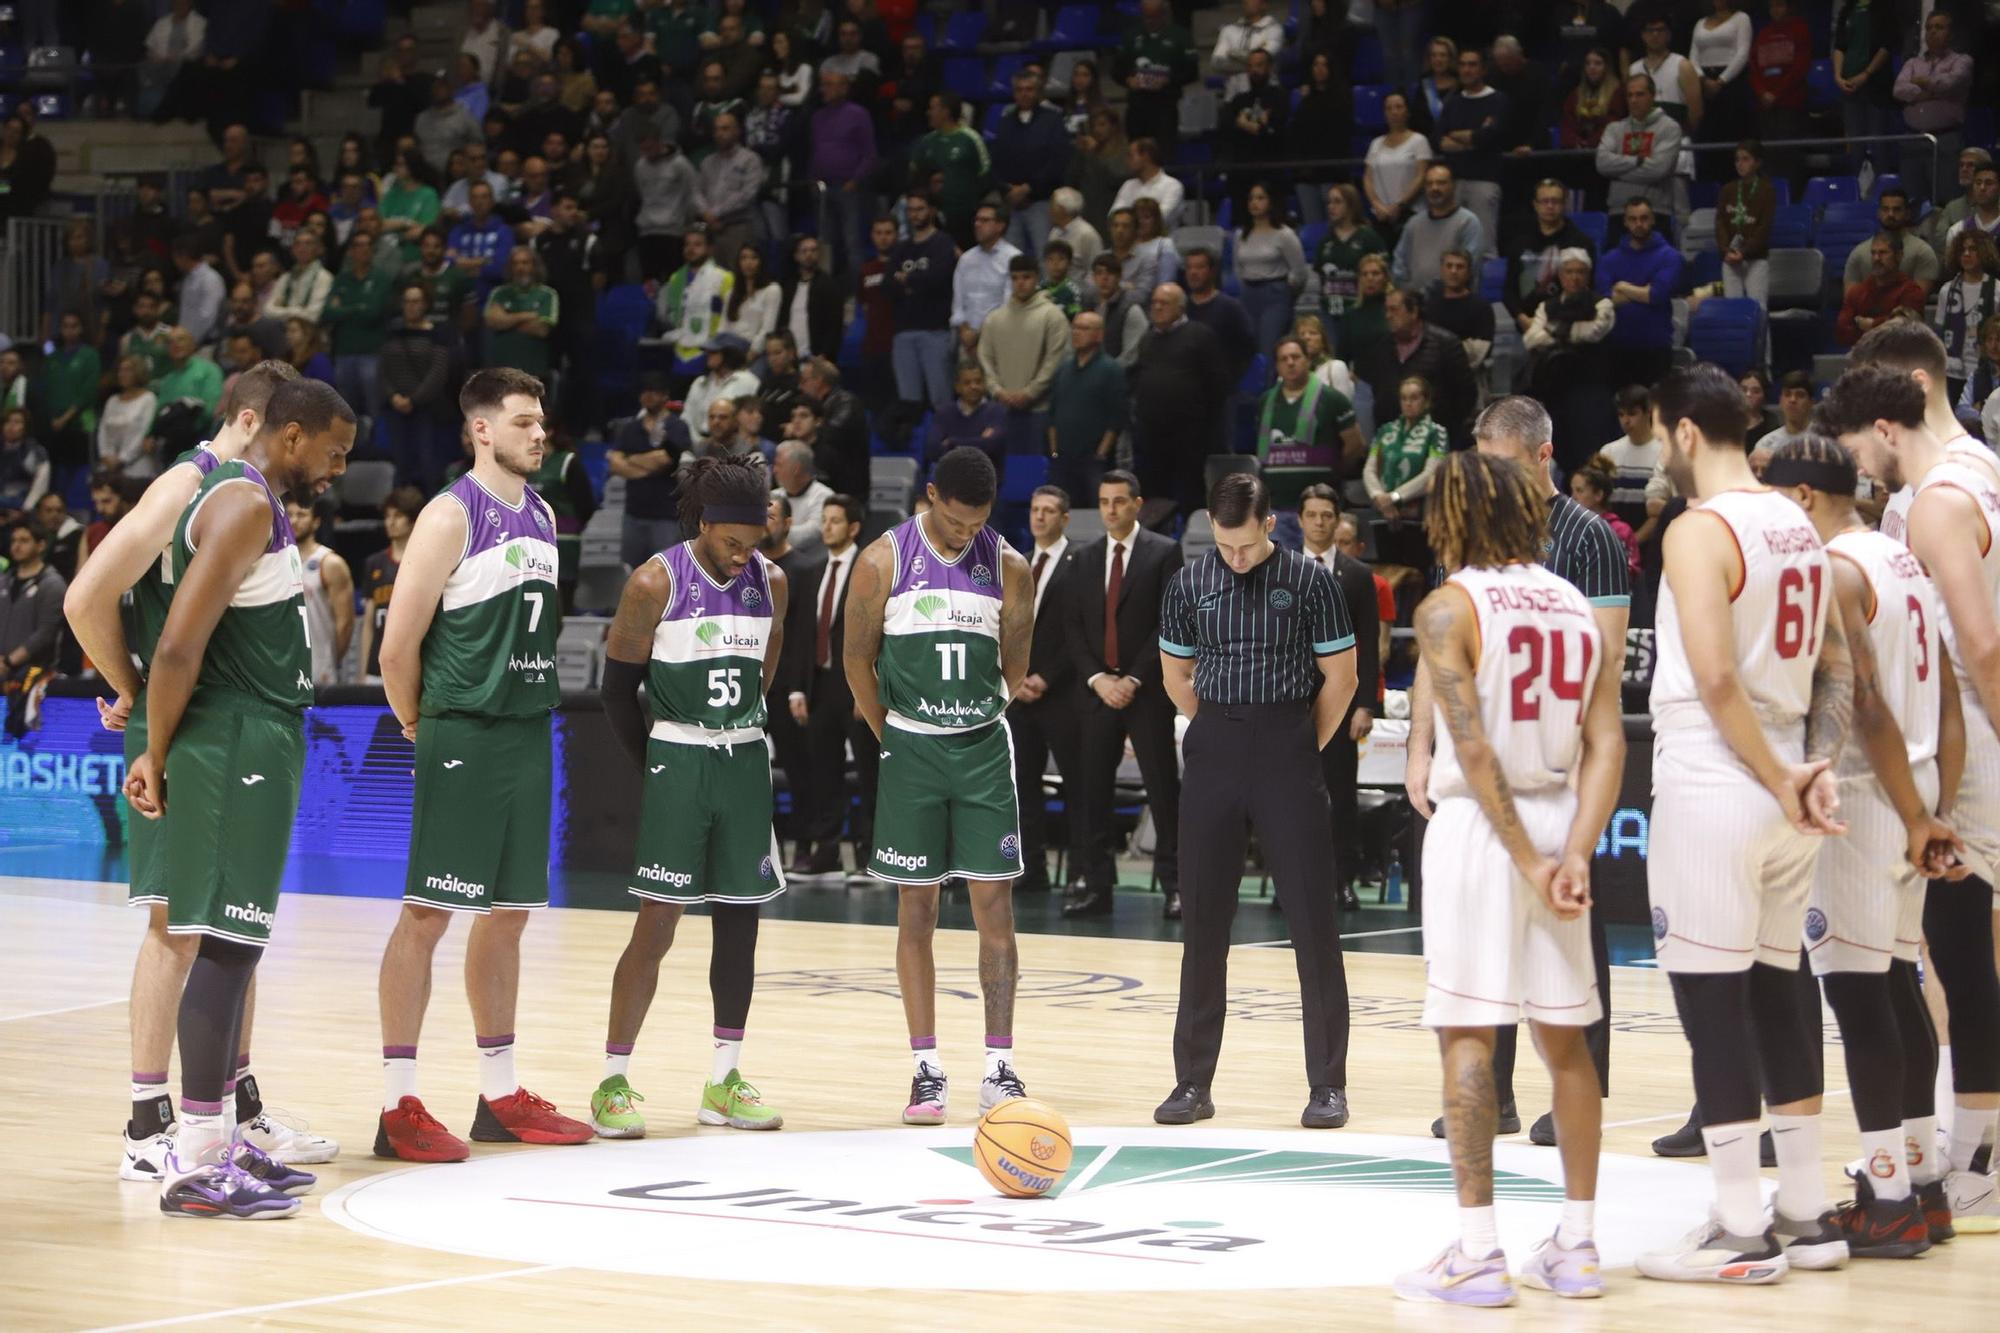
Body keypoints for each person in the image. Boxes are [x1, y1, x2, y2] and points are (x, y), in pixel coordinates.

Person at [59, 365, 333, 1180]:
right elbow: (84, 599)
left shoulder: (242, 491)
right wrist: (131, 688)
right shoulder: (192, 480)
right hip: (192, 723)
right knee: (176, 928)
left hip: (215, 714)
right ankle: (150, 1125)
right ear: (256, 419)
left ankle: (233, 1109)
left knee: (225, 929)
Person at [1635, 364, 1853, 1283]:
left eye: (1655, 435)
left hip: (1718, 775)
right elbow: (1838, 666)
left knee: (1709, 997)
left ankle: (1735, 1226)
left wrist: (1774, 772)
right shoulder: (1797, 522)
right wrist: (1811, 770)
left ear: (1683, 433)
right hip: (1786, 776)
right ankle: (1805, 1212)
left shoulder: (1699, 529)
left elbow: (1716, 679)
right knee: (1777, 989)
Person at [1393, 450, 1622, 1306]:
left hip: (1485, 833)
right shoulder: (1571, 604)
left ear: (1456, 515)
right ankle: (1580, 1243)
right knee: (1566, 1040)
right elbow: (1609, 744)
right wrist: (1572, 853)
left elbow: (1475, 746)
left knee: (1467, 1033)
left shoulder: (1449, 606)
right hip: (1561, 821)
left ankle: (1479, 1251)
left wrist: (1527, 856)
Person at [122, 378, 355, 1219]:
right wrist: (152, 748)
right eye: (332, 452)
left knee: (240, 944)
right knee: (221, 943)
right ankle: (192, 1159)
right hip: (231, 738)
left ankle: (218, 1142)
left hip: (258, 732)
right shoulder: (239, 502)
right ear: (289, 435)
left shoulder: (260, 501)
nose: (338, 470)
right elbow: (179, 643)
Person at [372, 369, 593, 1163]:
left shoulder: (539, 509)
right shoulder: (447, 514)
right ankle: (397, 1104)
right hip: (462, 727)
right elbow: (397, 647)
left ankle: (498, 1093)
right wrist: (416, 722)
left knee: (510, 915)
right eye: (526, 422)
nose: (542, 434)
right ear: (482, 430)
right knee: (427, 913)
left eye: (544, 421)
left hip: (529, 731)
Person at [1408, 397, 1634, 1148]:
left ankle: (1577, 1085)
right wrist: (1418, 744)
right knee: (1485, 964)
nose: (1488, 482)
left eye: (1500, 467)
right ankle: (1496, 1099)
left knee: (1567, 946)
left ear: (1542, 458)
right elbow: (1434, 659)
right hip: (1491, 775)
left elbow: (1600, 665)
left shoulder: (1590, 538)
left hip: (1542, 767)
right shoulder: (1468, 536)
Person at [1763, 428, 1959, 1253]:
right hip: (1914, 790)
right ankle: (1919, 1181)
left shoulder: (1837, 570)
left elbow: (1867, 703)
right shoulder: (1901, 559)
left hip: (1871, 797)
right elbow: (1947, 695)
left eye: (1775, 498)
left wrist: (1912, 811)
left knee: (1859, 995)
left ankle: (1886, 1200)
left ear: (1804, 497)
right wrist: (1936, 801)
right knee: (1898, 985)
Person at [1832, 339, 2000, 1231]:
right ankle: (1960, 1148)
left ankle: (1973, 1158)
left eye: (1862, 441)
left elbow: (1978, 642)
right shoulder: (1979, 465)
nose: (1858, 462)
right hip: (1959, 731)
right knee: (1953, 946)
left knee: (1958, 950)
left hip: (1967, 738)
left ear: (1895, 418)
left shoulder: (1934, 501)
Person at [588, 453, 791, 1139]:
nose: (744, 555)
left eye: (755, 542)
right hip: (679, 755)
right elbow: (617, 690)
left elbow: (764, 673)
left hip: (743, 762)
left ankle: (724, 1079)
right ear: (704, 523)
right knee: (657, 923)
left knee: (741, 922)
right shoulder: (655, 581)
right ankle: (613, 1081)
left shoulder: (773, 582)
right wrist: (655, 763)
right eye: (732, 542)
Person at [1155, 470, 1358, 1127]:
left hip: (1288, 745)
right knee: (1203, 922)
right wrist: (1218, 729)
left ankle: (1327, 1084)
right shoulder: (1189, 581)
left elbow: (1342, 677)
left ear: (1271, 525)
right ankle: (1192, 1082)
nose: (1234, 557)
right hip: (1214, 744)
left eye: (1244, 544)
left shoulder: (1312, 582)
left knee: (1311, 921)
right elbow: (1175, 675)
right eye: (1223, 545)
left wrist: (1299, 742)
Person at [842, 446, 1035, 1122]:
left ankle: (999, 1065)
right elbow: (856, 659)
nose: (964, 535)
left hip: (982, 749)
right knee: (915, 911)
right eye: (954, 522)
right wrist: (889, 731)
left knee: (995, 910)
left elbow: (1015, 665)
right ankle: (926, 1066)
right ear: (929, 496)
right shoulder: (879, 561)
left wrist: (971, 716)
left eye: (976, 523)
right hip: (912, 751)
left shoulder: (1010, 566)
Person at [1062, 470, 1185, 919]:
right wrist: (1099, 678)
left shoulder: (1164, 552)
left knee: (1162, 790)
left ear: (1137, 503)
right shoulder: (1084, 556)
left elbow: (1169, 623)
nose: (1110, 509)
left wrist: (1133, 679)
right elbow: (1073, 627)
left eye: (1119, 501)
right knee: (1092, 791)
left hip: (1147, 691)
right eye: (1104, 501)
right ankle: (1097, 886)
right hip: (1097, 693)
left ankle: (1176, 886)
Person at [1297, 485, 1379, 912]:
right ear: (1300, 519)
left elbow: (1369, 642)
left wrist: (1366, 703)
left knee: (1340, 795)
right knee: (1286, 798)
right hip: (1288, 702)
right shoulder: (1280, 569)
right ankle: (1290, 885)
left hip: (1341, 701)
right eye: (1311, 514)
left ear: (1337, 519)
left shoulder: (1358, 575)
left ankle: (1341, 879)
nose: (1319, 522)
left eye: (1326, 515)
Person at [790, 492, 875, 875]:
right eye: (824, 519)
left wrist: (870, 687)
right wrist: (797, 688)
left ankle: (868, 856)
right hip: (820, 684)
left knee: (870, 773)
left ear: (854, 528)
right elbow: (801, 635)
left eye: (835, 520)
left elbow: (881, 634)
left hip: (856, 687)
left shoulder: (871, 570)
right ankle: (825, 853)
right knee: (822, 770)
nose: (826, 526)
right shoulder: (811, 570)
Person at [1009, 486, 1082, 895]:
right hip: (1019, 694)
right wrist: (1016, 678)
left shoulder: (1079, 562)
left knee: (1078, 787)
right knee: (1022, 786)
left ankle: (1078, 872)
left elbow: (1077, 631)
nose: (1040, 517)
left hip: (1064, 693)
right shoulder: (1019, 564)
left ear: (1065, 518)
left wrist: (1047, 677)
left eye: (1050, 510)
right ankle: (1029, 868)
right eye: (1035, 509)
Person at [1129, 284, 1230, 517]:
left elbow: (1218, 384)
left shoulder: (1200, 335)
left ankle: (1193, 542)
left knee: (1191, 492)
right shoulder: (1148, 339)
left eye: (1164, 303)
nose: (1157, 307)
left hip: (1190, 434)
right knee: (1153, 495)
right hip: (1152, 434)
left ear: (1180, 307)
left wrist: (1202, 421)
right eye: (1154, 302)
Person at [1525, 249, 1618, 466]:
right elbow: (1532, 338)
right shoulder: (1546, 305)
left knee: (1589, 453)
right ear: (1560, 274)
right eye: (1569, 271)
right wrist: (1571, 331)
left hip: (1592, 388)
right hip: (1556, 390)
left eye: (1580, 272)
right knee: (1558, 452)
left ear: (1588, 275)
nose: (1574, 277)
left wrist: (1555, 330)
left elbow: (1594, 332)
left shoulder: (1602, 304)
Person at [978, 254, 1070, 458]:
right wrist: (997, 390)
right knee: (999, 474)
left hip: (1039, 409)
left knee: (1036, 473)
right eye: (1015, 278)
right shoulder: (995, 318)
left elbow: (1055, 361)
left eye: (1026, 277)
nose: (1020, 283)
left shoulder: (1052, 315)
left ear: (1037, 278)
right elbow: (985, 359)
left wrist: (1031, 392)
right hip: (1000, 408)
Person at [1259, 335, 1364, 510]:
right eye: (1284, 359)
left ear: (1308, 360)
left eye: (1296, 357)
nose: (1290, 363)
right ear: (1277, 366)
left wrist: (1332, 472)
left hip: (1320, 506)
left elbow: (1355, 445)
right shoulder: (1265, 401)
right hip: (1276, 506)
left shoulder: (1333, 399)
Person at [1598, 197, 1683, 388]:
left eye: (1644, 218)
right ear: (1626, 222)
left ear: (1652, 220)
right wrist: (1643, 291)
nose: (1639, 224)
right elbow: (1606, 299)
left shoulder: (1669, 256)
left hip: (1656, 346)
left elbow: (1656, 295)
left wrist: (1621, 286)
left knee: (1655, 412)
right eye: (1633, 219)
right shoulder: (1609, 259)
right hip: (1617, 347)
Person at [1432, 47, 1509, 255]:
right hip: (1454, 182)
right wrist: (1473, 139)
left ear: (1483, 69)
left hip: (1484, 181)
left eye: (1472, 65)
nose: (1467, 70)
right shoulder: (1453, 103)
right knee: (1452, 247)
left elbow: (1489, 137)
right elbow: (1441, 140)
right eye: (1463, 65)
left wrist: (1467, 138)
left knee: (1483, 249)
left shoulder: (1497, 100)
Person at [1045, 311, 1127, 504]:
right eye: (1074, 327)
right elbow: (1053, 414)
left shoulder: (1111, 369)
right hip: (1062, 459)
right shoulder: (1063, 369)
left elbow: (1117, 418)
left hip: (1094, 461)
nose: (1076, 332)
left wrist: (1100, 454)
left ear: (1099, 335)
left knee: (1095, 513)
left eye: (1084, 328)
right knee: (1061, 511)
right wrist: (1054, 451)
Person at [610, 375, 690, 570]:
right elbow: (615, 464)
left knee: (665, 572)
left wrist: (631, 460)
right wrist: (650, 465)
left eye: (653, 392)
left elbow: (665, 460)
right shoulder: (630, 428)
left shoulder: (678, 427)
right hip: (633, 513)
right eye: (644, 392)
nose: (648, 396)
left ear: (665, 396)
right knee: (630, 571)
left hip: (665, 514)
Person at [886, 190, 957, 411]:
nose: (914, 215)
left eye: (920, 209)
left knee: (941, 400)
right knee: (908, 403)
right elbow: (887, 285)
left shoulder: (943, 243)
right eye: (910, 210)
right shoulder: (901, 248)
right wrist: (916, 282)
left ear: (932, 211)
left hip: (935, 330)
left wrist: (907, 279)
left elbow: (938, 279)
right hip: (903, 331)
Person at [1892, 9, 1971, 207]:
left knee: (1947, 200)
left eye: (1939, 27)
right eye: (1929, 28)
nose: (1933, 32)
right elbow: (1899, 90)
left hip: (1945, 140)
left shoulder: (1962, 61)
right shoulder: (1912, 62)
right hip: (1913, 140)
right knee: (1911, 202)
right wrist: (1931, 92)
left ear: (1950, 33)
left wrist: (1921, 84)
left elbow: (1950, 84)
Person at [1598, 73, 1685, 216]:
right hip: (1619, 210)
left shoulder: (1670, 127)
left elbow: (1658, 170)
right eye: (1629, 95)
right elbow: (1602, 164)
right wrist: (1637, 160)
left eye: (1640, 95)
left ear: (1653, 95)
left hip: (1656, 210)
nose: (1633, 100)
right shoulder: (1614, 128)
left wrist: (1615, 173)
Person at [289, 497, 353, 687]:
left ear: (316, 522)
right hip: (284, 667)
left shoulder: (330, 563)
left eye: (301, 515)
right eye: (290, 515)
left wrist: (329, 659)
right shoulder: (274, 561)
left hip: (319, 668)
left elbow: (345, 623)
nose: (294, 521)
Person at [1115, 0, 1196, 149]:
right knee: (1137, 151)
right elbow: (1116, 70)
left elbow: (1192, 72)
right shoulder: (1131, 36)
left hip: (1166, 105)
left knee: (1164, 152)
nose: (1149, 21)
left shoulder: (1181, 36)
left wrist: (1168, 80)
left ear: (1164, 14)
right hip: (1137, 105)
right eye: (1146, 17)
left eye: (1154, 17)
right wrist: (1127, 80)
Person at [1392, 164, 1483, 292]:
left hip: (1453, 302)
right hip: (1415, 303)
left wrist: (1432, 293)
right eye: (1429, 184)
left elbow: (1468, 269)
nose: (1434, 188)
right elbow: (1399, 263)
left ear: (1453, 186)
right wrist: (1409, 293)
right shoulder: (1413, 223)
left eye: (1441, 183)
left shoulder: (1468, 222)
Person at [1935, 230, 2000, 402]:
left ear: (1984, 252)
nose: (1966, 254)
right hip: (1952, 370)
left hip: (1986, 371)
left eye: (1973, 249)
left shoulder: (1997, 290)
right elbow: (1939, 331)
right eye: (1962, 250)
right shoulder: (1947, 290)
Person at [1, 519, 65, 682]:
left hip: (34, 672)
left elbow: (46, 633)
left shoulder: (52, 584)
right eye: (14, 540)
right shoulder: (4, 581)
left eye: (24, 540)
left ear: (41, 545)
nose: (16, 546)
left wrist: (8, 662)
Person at [1842, 189, 1941, 293]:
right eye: (1885, 209)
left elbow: (1917, 300)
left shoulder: (1922, 252)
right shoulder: (1859, 253)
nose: (1890, 214)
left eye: (1897, 210)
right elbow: (1850, 300)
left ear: (1907, 214)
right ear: (1879, 213)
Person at [1363, 91, 1433, 239]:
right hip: (1381, 215)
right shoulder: (1376, 143)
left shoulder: (1419, 141)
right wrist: (1376, 204)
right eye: (1389, 108)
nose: (1394, 112)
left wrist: (1400, 205)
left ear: (1407, 111)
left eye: (1399, 107)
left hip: (1411, 212)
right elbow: (1368, 178)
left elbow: (1420, 176)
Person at [1838, 234, 1928, 347]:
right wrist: (1886, 322)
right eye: (1873, 253)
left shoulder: (1911, 291)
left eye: (1883, 253)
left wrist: (1872, 325)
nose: (1876, 258)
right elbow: (1842, 330)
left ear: (1899, 256)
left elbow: (1906, 329)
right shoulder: (1857, 292)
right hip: (1863, 354)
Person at [1718, 139, 1775, 303]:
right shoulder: (1727, 190)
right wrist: (1725, 250)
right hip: (1730, 258)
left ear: (1757, 163)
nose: (1740, 164)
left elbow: (1764, 228)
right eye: (1737, 159)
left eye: (1745, 159)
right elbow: (1720, 223)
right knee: (1732, 309)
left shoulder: (1767, 190)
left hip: (1755, 258)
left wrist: (1744, 252)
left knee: (1758, 308)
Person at [771, 438, 831, 554]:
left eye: (779, 465)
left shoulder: (824, 497)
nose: (774, 470)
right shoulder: (773, 496)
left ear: (796, 468)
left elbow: (812, 534)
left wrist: (773, 532)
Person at [1751, 370, 1817, 464]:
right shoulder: (1765, 445)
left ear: (1811, 403)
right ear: (1780, 401)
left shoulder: (1825, 442)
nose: (1792, 400)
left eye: (1800, 395)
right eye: (1787, 394)